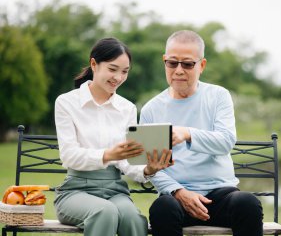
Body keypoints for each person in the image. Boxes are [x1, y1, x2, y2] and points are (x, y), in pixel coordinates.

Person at [140, 30, 263, 236]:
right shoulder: (151, 110)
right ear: (164, 62)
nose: (179, 70)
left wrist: (188, 133)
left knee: (247, 203)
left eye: (187, 64)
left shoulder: (218, 97)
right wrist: (179, 192)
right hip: (177, 197)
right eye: (172, 63)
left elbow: (225, 141)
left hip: (220, 195)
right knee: (162, 209)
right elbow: (151, 167)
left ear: (202, 65)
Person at [54, 37, 172, 236]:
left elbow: (127, 162)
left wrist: (148, 169)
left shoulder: (127, 108)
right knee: (104, 212)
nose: (118, 77)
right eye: (112, 69)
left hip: (115, 190)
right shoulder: (67, 103)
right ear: (94, 64)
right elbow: (68, 155)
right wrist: (108, 154)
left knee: (133, 218)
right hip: (75, 191)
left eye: (124, 71)